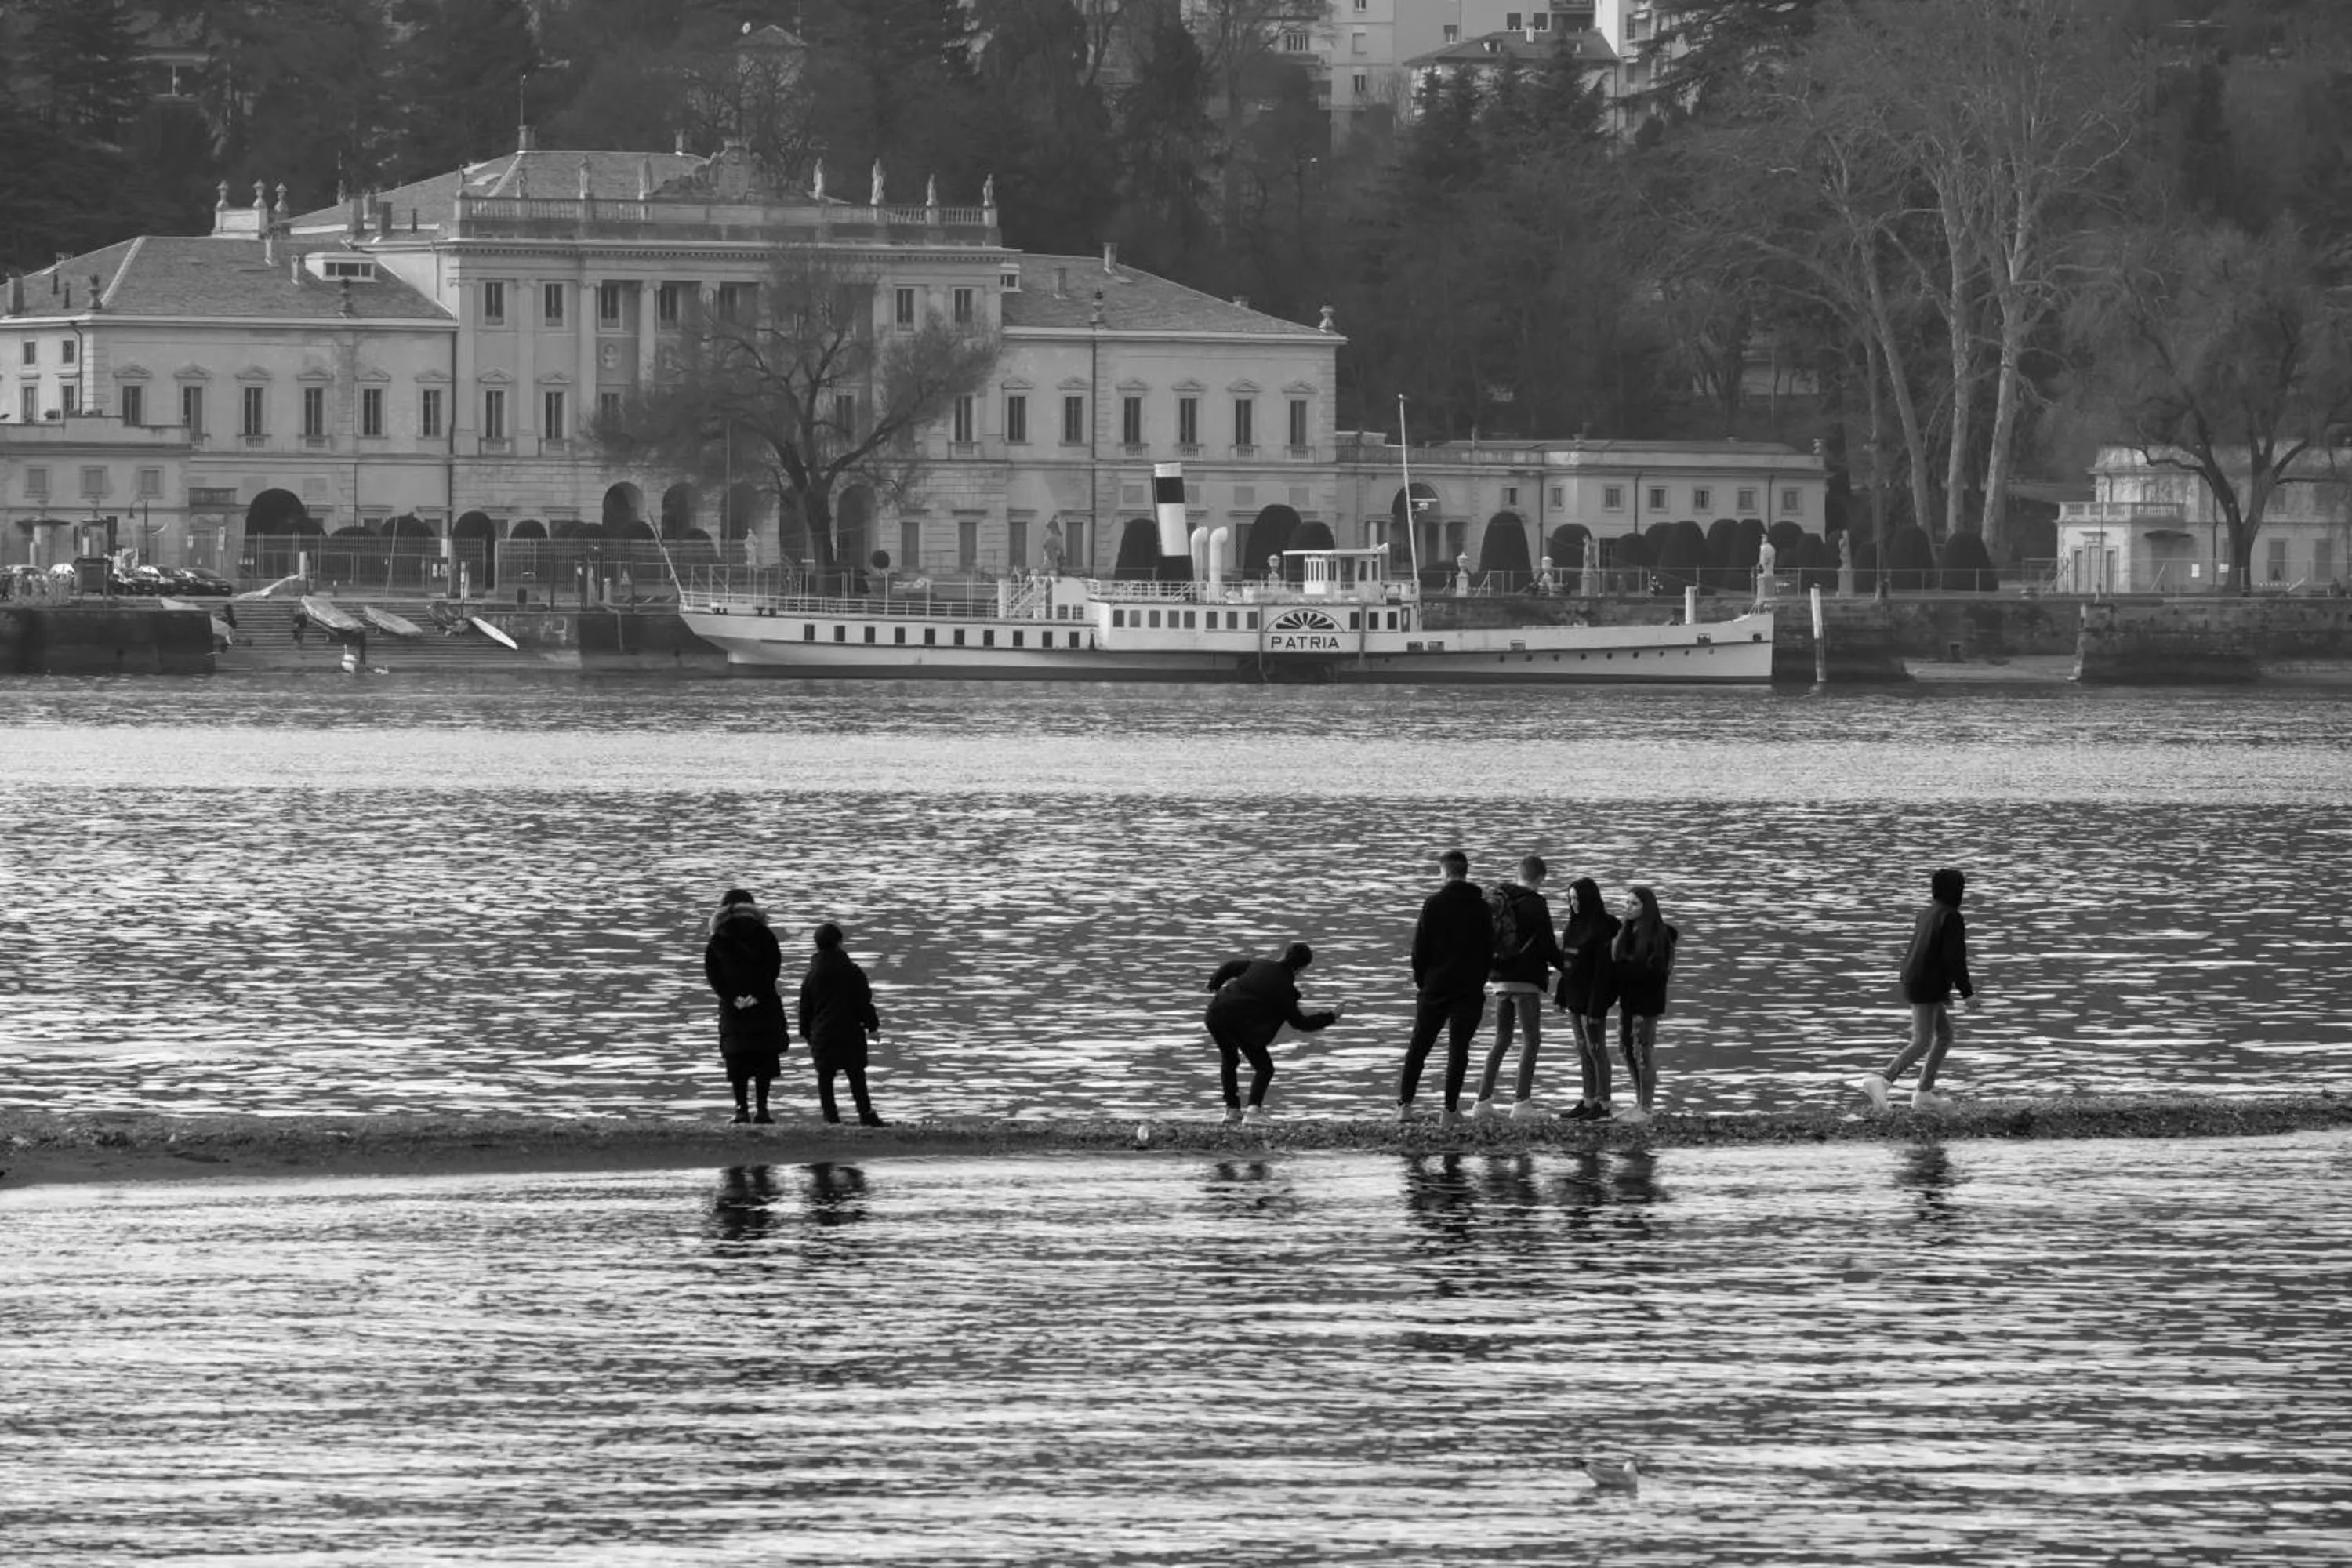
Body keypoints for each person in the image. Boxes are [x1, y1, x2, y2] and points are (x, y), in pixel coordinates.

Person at [1857, 867, 1977, 1112]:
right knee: (1923, 1041)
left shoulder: (1926, 914)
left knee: (1944, 1035)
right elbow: (1954, 959)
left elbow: (1925, 952)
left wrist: (1944, 991)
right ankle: (1883, 1080)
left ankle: (1924, 1093)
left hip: (1917, 980)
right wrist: (1968, 993)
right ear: (1957, 890)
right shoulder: (1951, 917)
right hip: (1926, 985)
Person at [1398, 849, 1493, 1127]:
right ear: (1465, 872)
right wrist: (1478, 981)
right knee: (1458, 1050)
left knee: (1419, 1046)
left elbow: (1419, 950)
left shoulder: (1433, 904)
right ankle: (1449, 1110)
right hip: (1469, 989)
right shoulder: (1481, 907)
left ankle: (1405, 1106)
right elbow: (1488, 949)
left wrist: (1423, 983)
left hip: (1435, 986)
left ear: (1444, 872)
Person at [1203, 942, 1340, 1124]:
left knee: (1230, 1059)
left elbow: (1229, 967)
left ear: (1284, 955)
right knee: (1264, 1068)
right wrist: (1331, 1017)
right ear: (1302, 968)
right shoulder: (1286, 990)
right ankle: (1253, 1112)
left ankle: (1232, 1111)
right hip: (1239, 1022)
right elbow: (1301, 1023)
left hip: (1215, 1013)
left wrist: (1214, 983)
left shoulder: (1260, 964)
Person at [1473, 856, 1565, 1120]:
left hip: (1498, 979)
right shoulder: (1536, 904)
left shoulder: (1498, 898)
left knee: (1501, 1039)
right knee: (1531, 1038)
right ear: (1540, 878)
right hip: (1526, 981)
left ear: (1518, 874)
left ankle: (1482, 1102)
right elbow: (1548, 946)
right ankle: (1522, 1103)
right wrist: (1569, 968)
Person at [702, 887, 788, 1123]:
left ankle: (741, 1109)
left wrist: (733, 998)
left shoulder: (717, 938)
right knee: (764, 1056)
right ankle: (763, 1109)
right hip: (763, 1005)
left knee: (736, 1057)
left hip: (733, 1009)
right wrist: (756, 996)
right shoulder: (765, 935)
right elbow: (773, 968)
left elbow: (713, 976)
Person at [797, 922, 887, 1126]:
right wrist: (872, 1027)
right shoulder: (852, 971)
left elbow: (805, 1008)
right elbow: (863, 1002)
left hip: (822, 1033)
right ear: (839, 943)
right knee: (856, 1074)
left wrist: (806, 1033)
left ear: (817, 945)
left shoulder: (812, 975)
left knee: (825, 1076)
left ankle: (831, 1117)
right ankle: (866, 1113)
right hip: (850, 1032)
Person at [1609, 886, 1678, 1125]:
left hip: (1647, 1003)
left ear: (1647, 907)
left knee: (1643, 1053)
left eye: (1634, 903)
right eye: (1627, 902)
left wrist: (1625, 971)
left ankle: (1646, 1108)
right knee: (1626, 1050)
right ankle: (1639, 1101)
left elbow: (1657, 973)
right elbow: (1617, 960)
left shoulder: (1660, 935)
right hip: (1628, 1001)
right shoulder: (1627, 932)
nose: (1628, 907)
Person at [1553, 877, 1621, 1121]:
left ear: (1589, 899)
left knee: (1596, 1049)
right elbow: (1568, 965)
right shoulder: (1573, 926)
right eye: (1571, 899)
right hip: (1574, 999)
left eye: (1578, 899)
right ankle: (1588, 1099)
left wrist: (1596, 1008)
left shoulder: (1604, 927)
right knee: (1583, 1049)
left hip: (1594, 1001)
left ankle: (1604, 1103)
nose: (1574, 904)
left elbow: (1604, 973)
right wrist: (1561, 996)